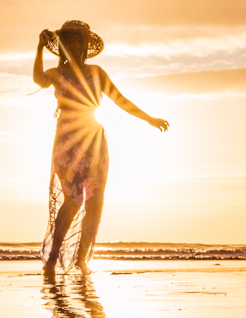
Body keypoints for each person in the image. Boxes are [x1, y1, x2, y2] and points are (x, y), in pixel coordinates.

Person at [34, 19, 168, 275]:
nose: (73, 45)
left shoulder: (96, 73)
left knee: (94, 201)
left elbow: (121, 100)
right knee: (72, 200)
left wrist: (149, 119)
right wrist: (39, 48)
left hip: (94, 141)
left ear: (85, 45)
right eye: (68, 40)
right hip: (67, 142)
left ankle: (81, 260)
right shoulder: (56, 73)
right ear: (61, 45)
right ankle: (52, 258)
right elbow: (39, 80)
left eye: (77, 40)